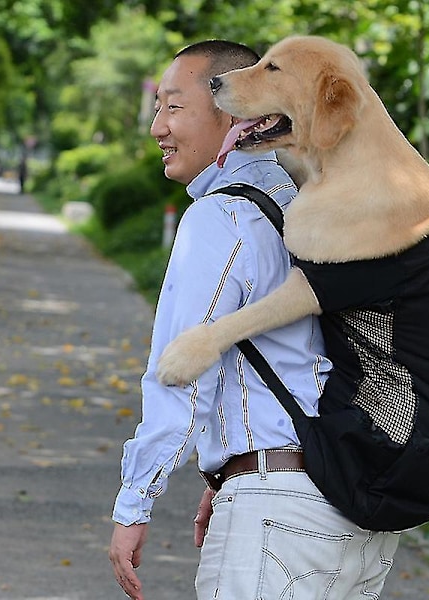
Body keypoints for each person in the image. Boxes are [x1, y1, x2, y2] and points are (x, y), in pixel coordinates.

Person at [108, 40, 400, 600]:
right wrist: (228, 472)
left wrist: (134, 504)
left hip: (280, 515)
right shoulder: (304, 202)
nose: (157, 128)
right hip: (352, 509)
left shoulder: (222, 216)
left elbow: (182, 371)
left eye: (173, 106)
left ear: (233, 110)